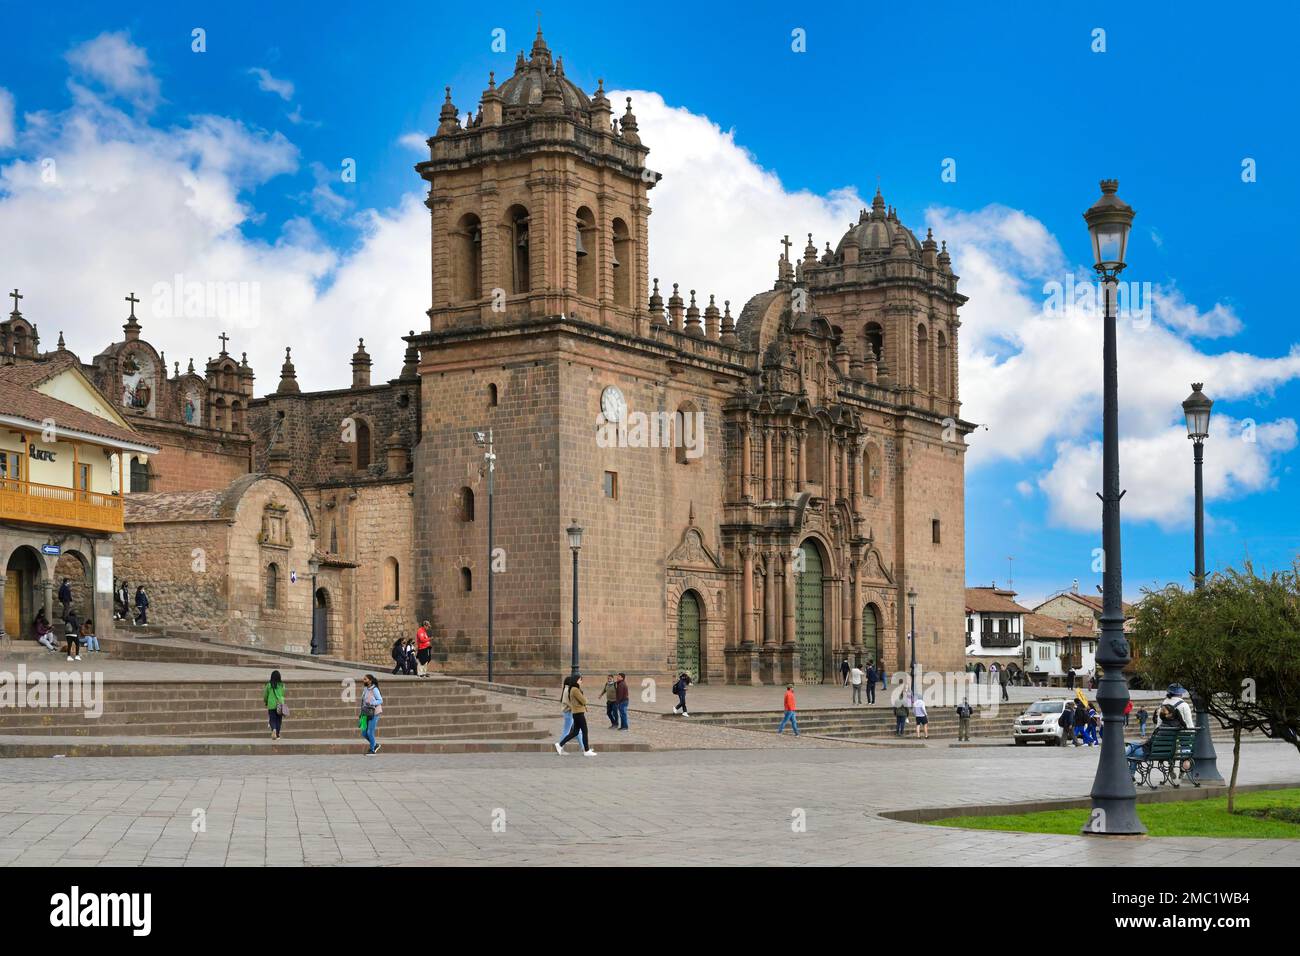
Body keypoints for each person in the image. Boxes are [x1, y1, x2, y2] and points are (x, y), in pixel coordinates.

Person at [554, 674, 596, 755]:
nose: (581, 681)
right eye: (580, 680)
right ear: (576, 680)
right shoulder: (575, 689)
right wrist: (586, 699)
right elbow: (584, 701)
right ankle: (586, 751)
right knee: (584, 731)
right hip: (579, 712)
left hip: (576, 712)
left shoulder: (573, 689)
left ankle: (560, 744)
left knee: (575, 732)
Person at [359, 674, 383, 754]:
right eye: (364, 679)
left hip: (374, 713)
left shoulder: (374, 689)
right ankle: (375, 744)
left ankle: (372, 750)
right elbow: (363, 701)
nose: (363, 680)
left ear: (370, 680)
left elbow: (380, 700)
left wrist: (372, 703)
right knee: (364, 732)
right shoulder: (365, 689)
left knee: (370, 732)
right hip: (366, 713)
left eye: (365, 679)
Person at [557, 674, 581, 749]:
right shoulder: (567, 690)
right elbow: (569, 703)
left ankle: (584, 748)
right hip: (569, 713)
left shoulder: (566, 689)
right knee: (566, 731)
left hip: (570, 712)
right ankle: (559, 746)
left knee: (578, 731)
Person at [264, 670, 287, 740]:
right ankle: (277, 734)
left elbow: (265, 695)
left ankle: (274, 729)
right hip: (279, 704)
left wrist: (266, 701)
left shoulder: (269, 685)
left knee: (272, 719)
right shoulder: (282, 685)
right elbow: (283, 694)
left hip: (271, 705)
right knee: (279, 720)